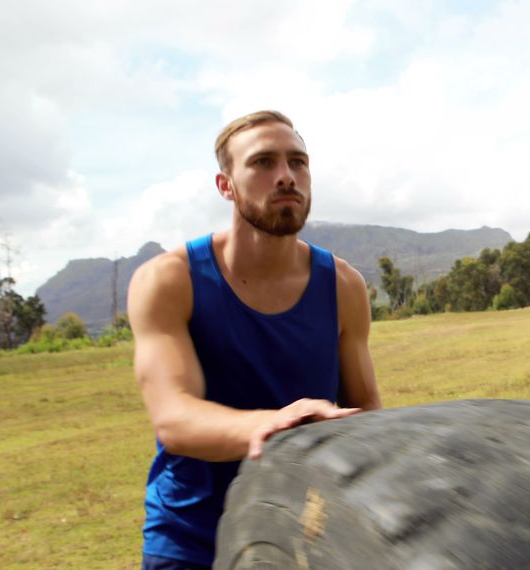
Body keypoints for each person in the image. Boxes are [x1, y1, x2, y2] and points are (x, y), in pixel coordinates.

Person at [128, 110, 382, 569]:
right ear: (226, 185)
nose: (286, 176)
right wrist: (279, 424)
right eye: (263, 162)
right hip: (193, 537)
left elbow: (366, 409)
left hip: (304, 533)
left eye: (297, 162)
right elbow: (174, 418)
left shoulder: (344, 285)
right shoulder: (169, 280)